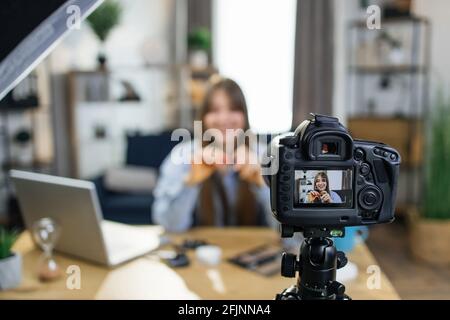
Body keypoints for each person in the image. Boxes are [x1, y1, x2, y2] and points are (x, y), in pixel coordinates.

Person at [152, 78, 274, 232]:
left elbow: (289, 234)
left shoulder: (266, 156)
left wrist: (264, 184)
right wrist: (189, 182)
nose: (224, 119)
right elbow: (170, 226)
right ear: (203, 117)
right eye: (215, 110)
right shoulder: (183, 156)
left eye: (233, 109)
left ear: (245, 115)